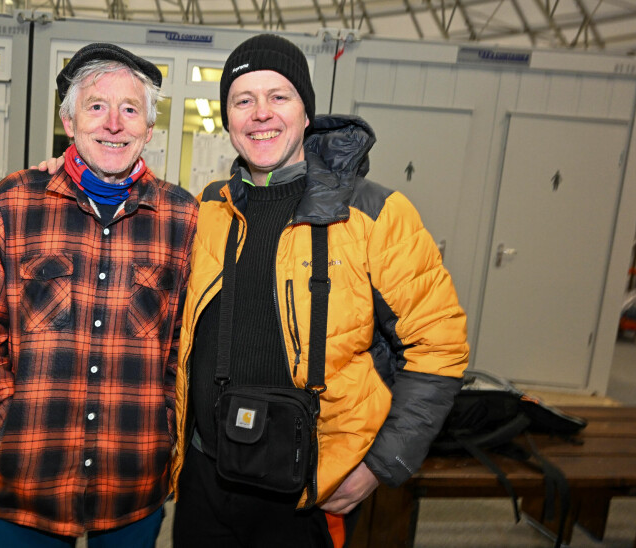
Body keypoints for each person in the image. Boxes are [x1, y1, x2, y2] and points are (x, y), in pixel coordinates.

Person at [169, 34, 469, 547]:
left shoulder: (376, 213)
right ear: (228, 120)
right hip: (206, 477)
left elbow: (440, 349)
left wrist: (379, 465)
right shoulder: (210, 209)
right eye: (243, 100)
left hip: (309, 492)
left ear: (306, 113)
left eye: (279, 96)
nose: (261, 113)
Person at [0, 42, 199, 547]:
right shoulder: (16, 201)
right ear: (70, 123)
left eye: (130, 109)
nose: (114, 123)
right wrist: (8, 427)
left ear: (148, 131)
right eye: (96, 107)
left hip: (132, 483)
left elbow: (184, 344)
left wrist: (165, 433)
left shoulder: (183, 218)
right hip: (27, 483)